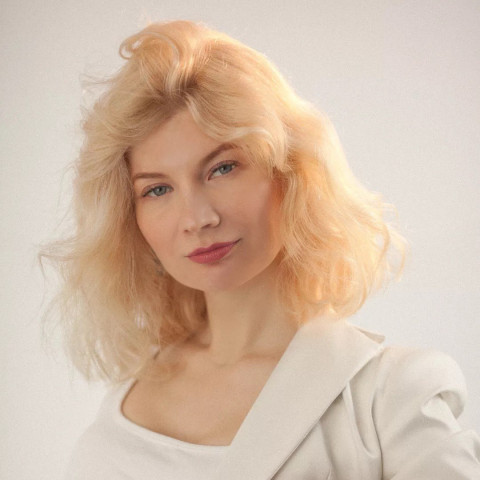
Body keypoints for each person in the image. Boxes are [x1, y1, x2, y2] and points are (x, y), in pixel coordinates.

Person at [40, 20, 480, 479]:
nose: (197, 218)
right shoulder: (133, 385)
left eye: (223, 168)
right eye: (157, 190)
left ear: (290, 173)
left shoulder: (388, 399)